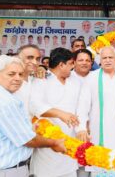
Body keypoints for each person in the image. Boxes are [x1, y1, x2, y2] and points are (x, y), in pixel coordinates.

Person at [0, 55, 66, 176]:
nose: (18, 79)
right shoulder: (6, 102)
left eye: (20, 74)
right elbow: (28, 140)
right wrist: (54, 143)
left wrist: (30, 128)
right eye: (11, 74)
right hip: (6, 172)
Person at [29, 48, 81, 177]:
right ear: (61, 65)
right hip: (47, 147)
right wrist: (61, 114)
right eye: (71, 64)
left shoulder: (74, 80)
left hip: (70, 145)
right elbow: (35, 106)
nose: (73, 67)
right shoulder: (41, 80)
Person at [76, 46, 115, 174]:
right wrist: (81, 127)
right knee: (99, 168)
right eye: (104, 58)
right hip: (99, 131)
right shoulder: (92, 77)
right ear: (100, 60)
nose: (108, 60)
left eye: (110, 57)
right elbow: (83, 105)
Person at [14, 45, 45, 116]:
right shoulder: (8, 82)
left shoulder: (36, 80)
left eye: (37, 59)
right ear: (18, 59)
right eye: (30, 58)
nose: (35, 62)